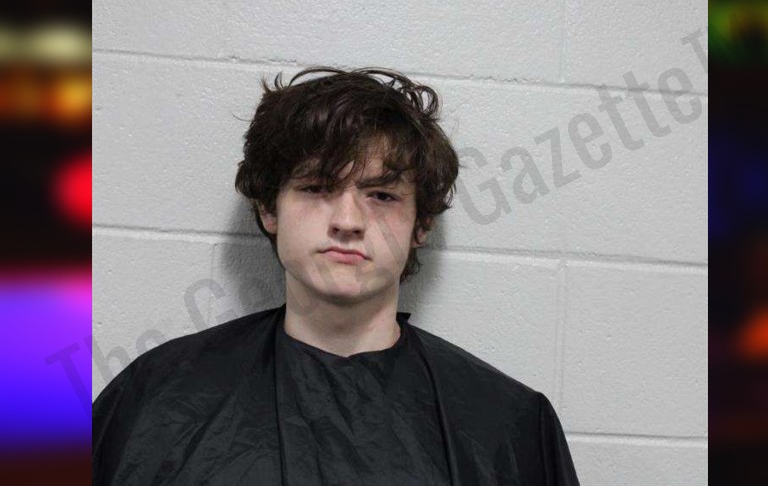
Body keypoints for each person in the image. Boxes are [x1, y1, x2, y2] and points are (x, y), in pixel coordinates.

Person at [92, 67, 580, 485]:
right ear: (269, 209)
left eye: (382, 195)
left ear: (421, 225)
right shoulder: (157, 397)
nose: (348, 221)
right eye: (317, 188)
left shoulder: (507, 425)